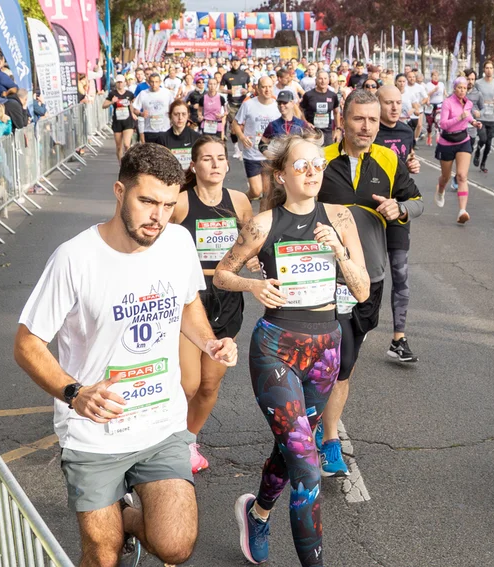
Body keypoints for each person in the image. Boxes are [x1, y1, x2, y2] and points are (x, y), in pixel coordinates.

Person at [13, 143, 238, 566]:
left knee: (175, 545)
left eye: (168, 205)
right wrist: (75, 393)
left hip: (161, 423)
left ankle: (127, 519)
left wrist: (208, 342)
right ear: (120, 192)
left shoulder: (178, 242)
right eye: (147, 201)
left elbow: (188, 303)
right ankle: (114, 529)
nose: (158, 217)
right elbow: (27, 343)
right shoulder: (75, 259)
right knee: (103, 554)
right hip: (94, 432)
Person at [213, 133, 369, 566]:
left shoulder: (340, 217)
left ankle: (258, 513)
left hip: (325, 349)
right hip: (276, 348)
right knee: (307, 465)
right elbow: (222, 274)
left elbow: (361, 290)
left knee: (292, 448)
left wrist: (339, 251)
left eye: (318, 164)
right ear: (281, 175)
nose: (312, 172)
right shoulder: (263, 224)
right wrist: (254, 285)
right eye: (301, 165)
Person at [316, 89, 424, 476]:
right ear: (342, 120)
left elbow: (417, 201)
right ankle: (329, 439)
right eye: (358, 118)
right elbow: (287, 202)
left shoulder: (389, 160)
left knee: (345, 363)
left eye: (373, 120)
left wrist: (400, 207)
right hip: (321, 277)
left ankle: (320, 426)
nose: (366, 127)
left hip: (368, 277)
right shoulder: (319, 160)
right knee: (328, 359)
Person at [171, 136, 254, 473]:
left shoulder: (239, 201)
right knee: (188, 383)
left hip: (226, 298)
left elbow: (250, 244)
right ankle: (169, 440)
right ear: (193, 165)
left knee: (209, 384)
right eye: (207, 158)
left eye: (221, 157)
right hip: (190, 298)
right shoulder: (180, 203)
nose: (216, 164)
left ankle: (189, 440)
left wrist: (252, 263)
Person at [375, 85, 422, 363]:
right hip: (370, 210)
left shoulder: (406, 131)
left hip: (398, 208)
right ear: (377, 104)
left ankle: (398, 339)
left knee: (400, 273)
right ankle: (358, 325)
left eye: (398, 102)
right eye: (388, 103)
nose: (394, 107)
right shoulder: (370, 131)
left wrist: (411, 164)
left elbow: (406, 159)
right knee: (369, 273)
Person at [434, 77, 481, 225]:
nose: (462, 90)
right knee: (446, 176)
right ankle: (440, 189)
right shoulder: (448, 103)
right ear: (454, 88)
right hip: (447, 142)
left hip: (463, 141)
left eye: (464, 88)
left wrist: (474, 122)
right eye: (459, 88)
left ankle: (462, 211)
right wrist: (459, 118)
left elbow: (468, 115)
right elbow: (443, 124)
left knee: (462, 176)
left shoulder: (468, 103)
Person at [231, 76, 281, 201]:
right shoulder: (248, 104)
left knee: (267, 193)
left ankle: (262, 214)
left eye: (269, 87)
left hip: (270, 154)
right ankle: (242, 201)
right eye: (263, 87)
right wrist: (242, 137)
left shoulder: (277, 106)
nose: (267, 90)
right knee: (256, 191)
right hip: (252, 153)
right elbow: (235, 123)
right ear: (257, 89)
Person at [472, 60, 494, 173]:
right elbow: (473, 97)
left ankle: (483, 163)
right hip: (481, 116)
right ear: (484, 69)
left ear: (493, 70)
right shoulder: (478, 83)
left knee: (489, 143)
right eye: (487, 68)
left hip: (492, 117)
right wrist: (476, 109)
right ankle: (477, 152)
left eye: (491, 68)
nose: (489, 70)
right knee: (483, 139)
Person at [155, 100, 202, 170]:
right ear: (170, 116)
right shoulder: (162, 139)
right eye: (176, 114)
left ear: (188, 115)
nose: (180, 118)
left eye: (183, 114)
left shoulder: (196, 137)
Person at [299, 71, 342, 145]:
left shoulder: (333, 95)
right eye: (320, 79)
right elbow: (300, 110)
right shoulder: (308, 95)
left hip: (327, 133)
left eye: (325, 78)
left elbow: (336, 112)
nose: (323, 81)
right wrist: (306, 122)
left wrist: (338, 129)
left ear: (328, 80)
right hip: (312, 132)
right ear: (316, 80)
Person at [222, 56, 252, 159]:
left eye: (237, 61)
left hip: (243, 104)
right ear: (231, 63)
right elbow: (221, 88)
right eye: (233, 62)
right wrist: (228, 91)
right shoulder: (226, 75)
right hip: (232, 104)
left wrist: (246, 90)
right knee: (233, 127)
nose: (235, 63)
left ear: (240, 63)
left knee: (245, 127)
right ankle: (236, 148)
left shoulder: (245, 75)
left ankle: (244, 147)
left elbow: (250, 86)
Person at [132, 73, 175, 144]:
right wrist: (141, 114)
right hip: (149, 131)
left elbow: (173, 108)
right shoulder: (143, 94)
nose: (154, 84)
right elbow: (135, 109)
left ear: (160, 82)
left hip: (164, 130)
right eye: (152, 82)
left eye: (156, 82)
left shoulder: (167, 93)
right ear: (149, 82)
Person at [103, 74, 137, 162]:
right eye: (118, 82)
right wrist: (112, 102)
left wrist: (133, 113)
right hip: (117, 122)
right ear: (116, 83)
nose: (120, 84)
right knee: (119, 147)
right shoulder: (112, 94)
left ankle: (128, 163)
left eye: (121, 82)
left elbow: (132, 105)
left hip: (128, 122)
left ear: (125, 83)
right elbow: (104, 105)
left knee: (127, 144)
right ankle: (121, 164)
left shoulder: (129, 94)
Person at [424, 69, 445, 146]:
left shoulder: (441, 84)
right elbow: (426, 95)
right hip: (430, 105)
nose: (436, 77)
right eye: (434, 75)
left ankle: (438, 138)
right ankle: (429, 136)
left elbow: (444, 93)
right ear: (431, 76)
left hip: (439, 105)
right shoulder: (428, 85)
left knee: (438, 122)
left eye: (437, 75)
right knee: (430, 123)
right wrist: (433, 90)